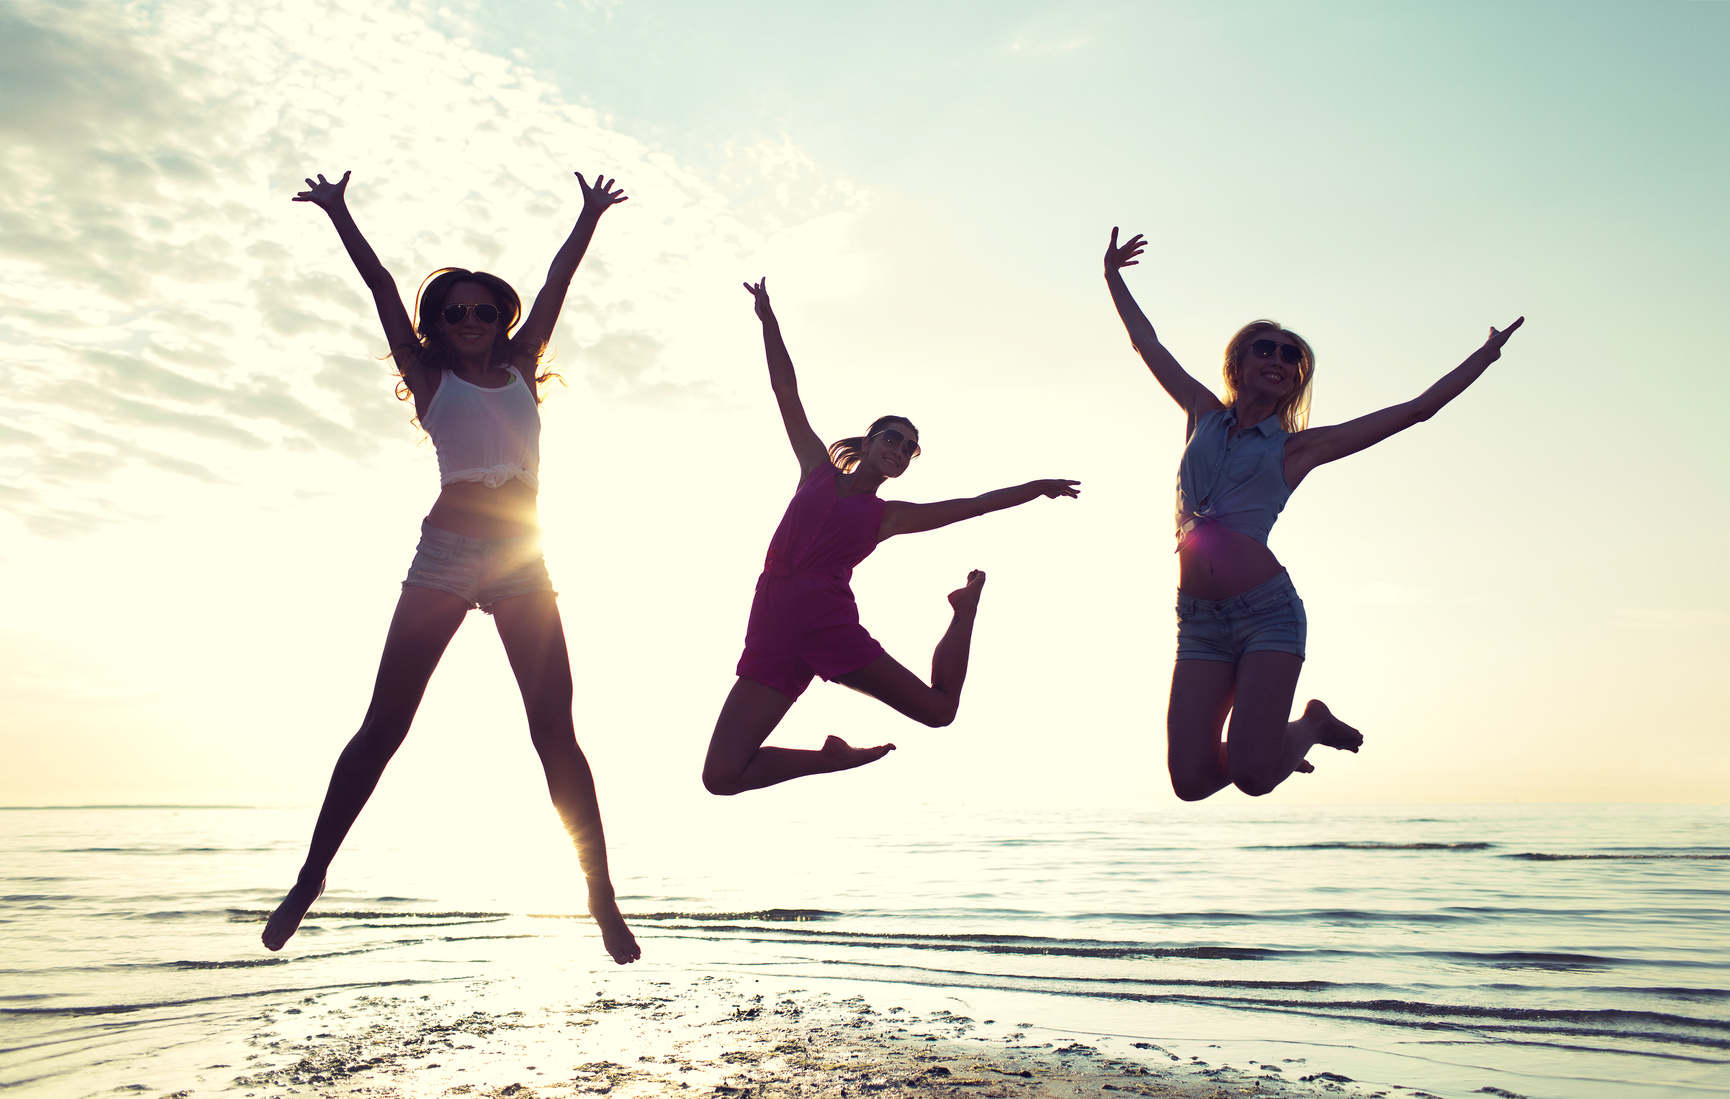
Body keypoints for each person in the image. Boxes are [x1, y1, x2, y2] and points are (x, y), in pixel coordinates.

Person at [261, 169, 639, 964]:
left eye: (481, 309)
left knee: (555, 734)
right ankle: (310, 875)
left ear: (500, 318)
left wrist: (587, 217)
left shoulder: (523, 363)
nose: (468, 319)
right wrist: (339, 212)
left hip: (524, 561)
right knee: (385, 726)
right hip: (446, 557)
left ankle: (601, 894)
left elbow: (558, 282)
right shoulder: (428, 375)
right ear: (437, 324)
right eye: (453, 311)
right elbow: (379, 286)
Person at [1102, 227, 1523, 801]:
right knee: (1191, 782)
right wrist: (1113, 276)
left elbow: (1417, 410)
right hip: (1199, 619)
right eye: (1267, 349)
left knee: (1252, 778)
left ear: (1298, 377)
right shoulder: (1201, 413)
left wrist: (1485, 354)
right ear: (1239, 362)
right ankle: (1281, 741)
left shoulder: (1296, 449)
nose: (1280, 359)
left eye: (1292, 357)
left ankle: (1308, 726)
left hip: (1266, 614)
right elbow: (1144, 342)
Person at [701, 279, 1080, 796]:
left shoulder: (888, 516)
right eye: (893, 439)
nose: (901, 450)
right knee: (720, 777)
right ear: (871, 439)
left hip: (825, 622)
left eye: (910, 449)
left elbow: (971, 506)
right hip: (770, 623)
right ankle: (830, 761)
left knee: (939, 711)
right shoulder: (814, 467)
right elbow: (784, 390)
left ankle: (963, 610)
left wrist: (1036, 488)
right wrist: (768, 321)